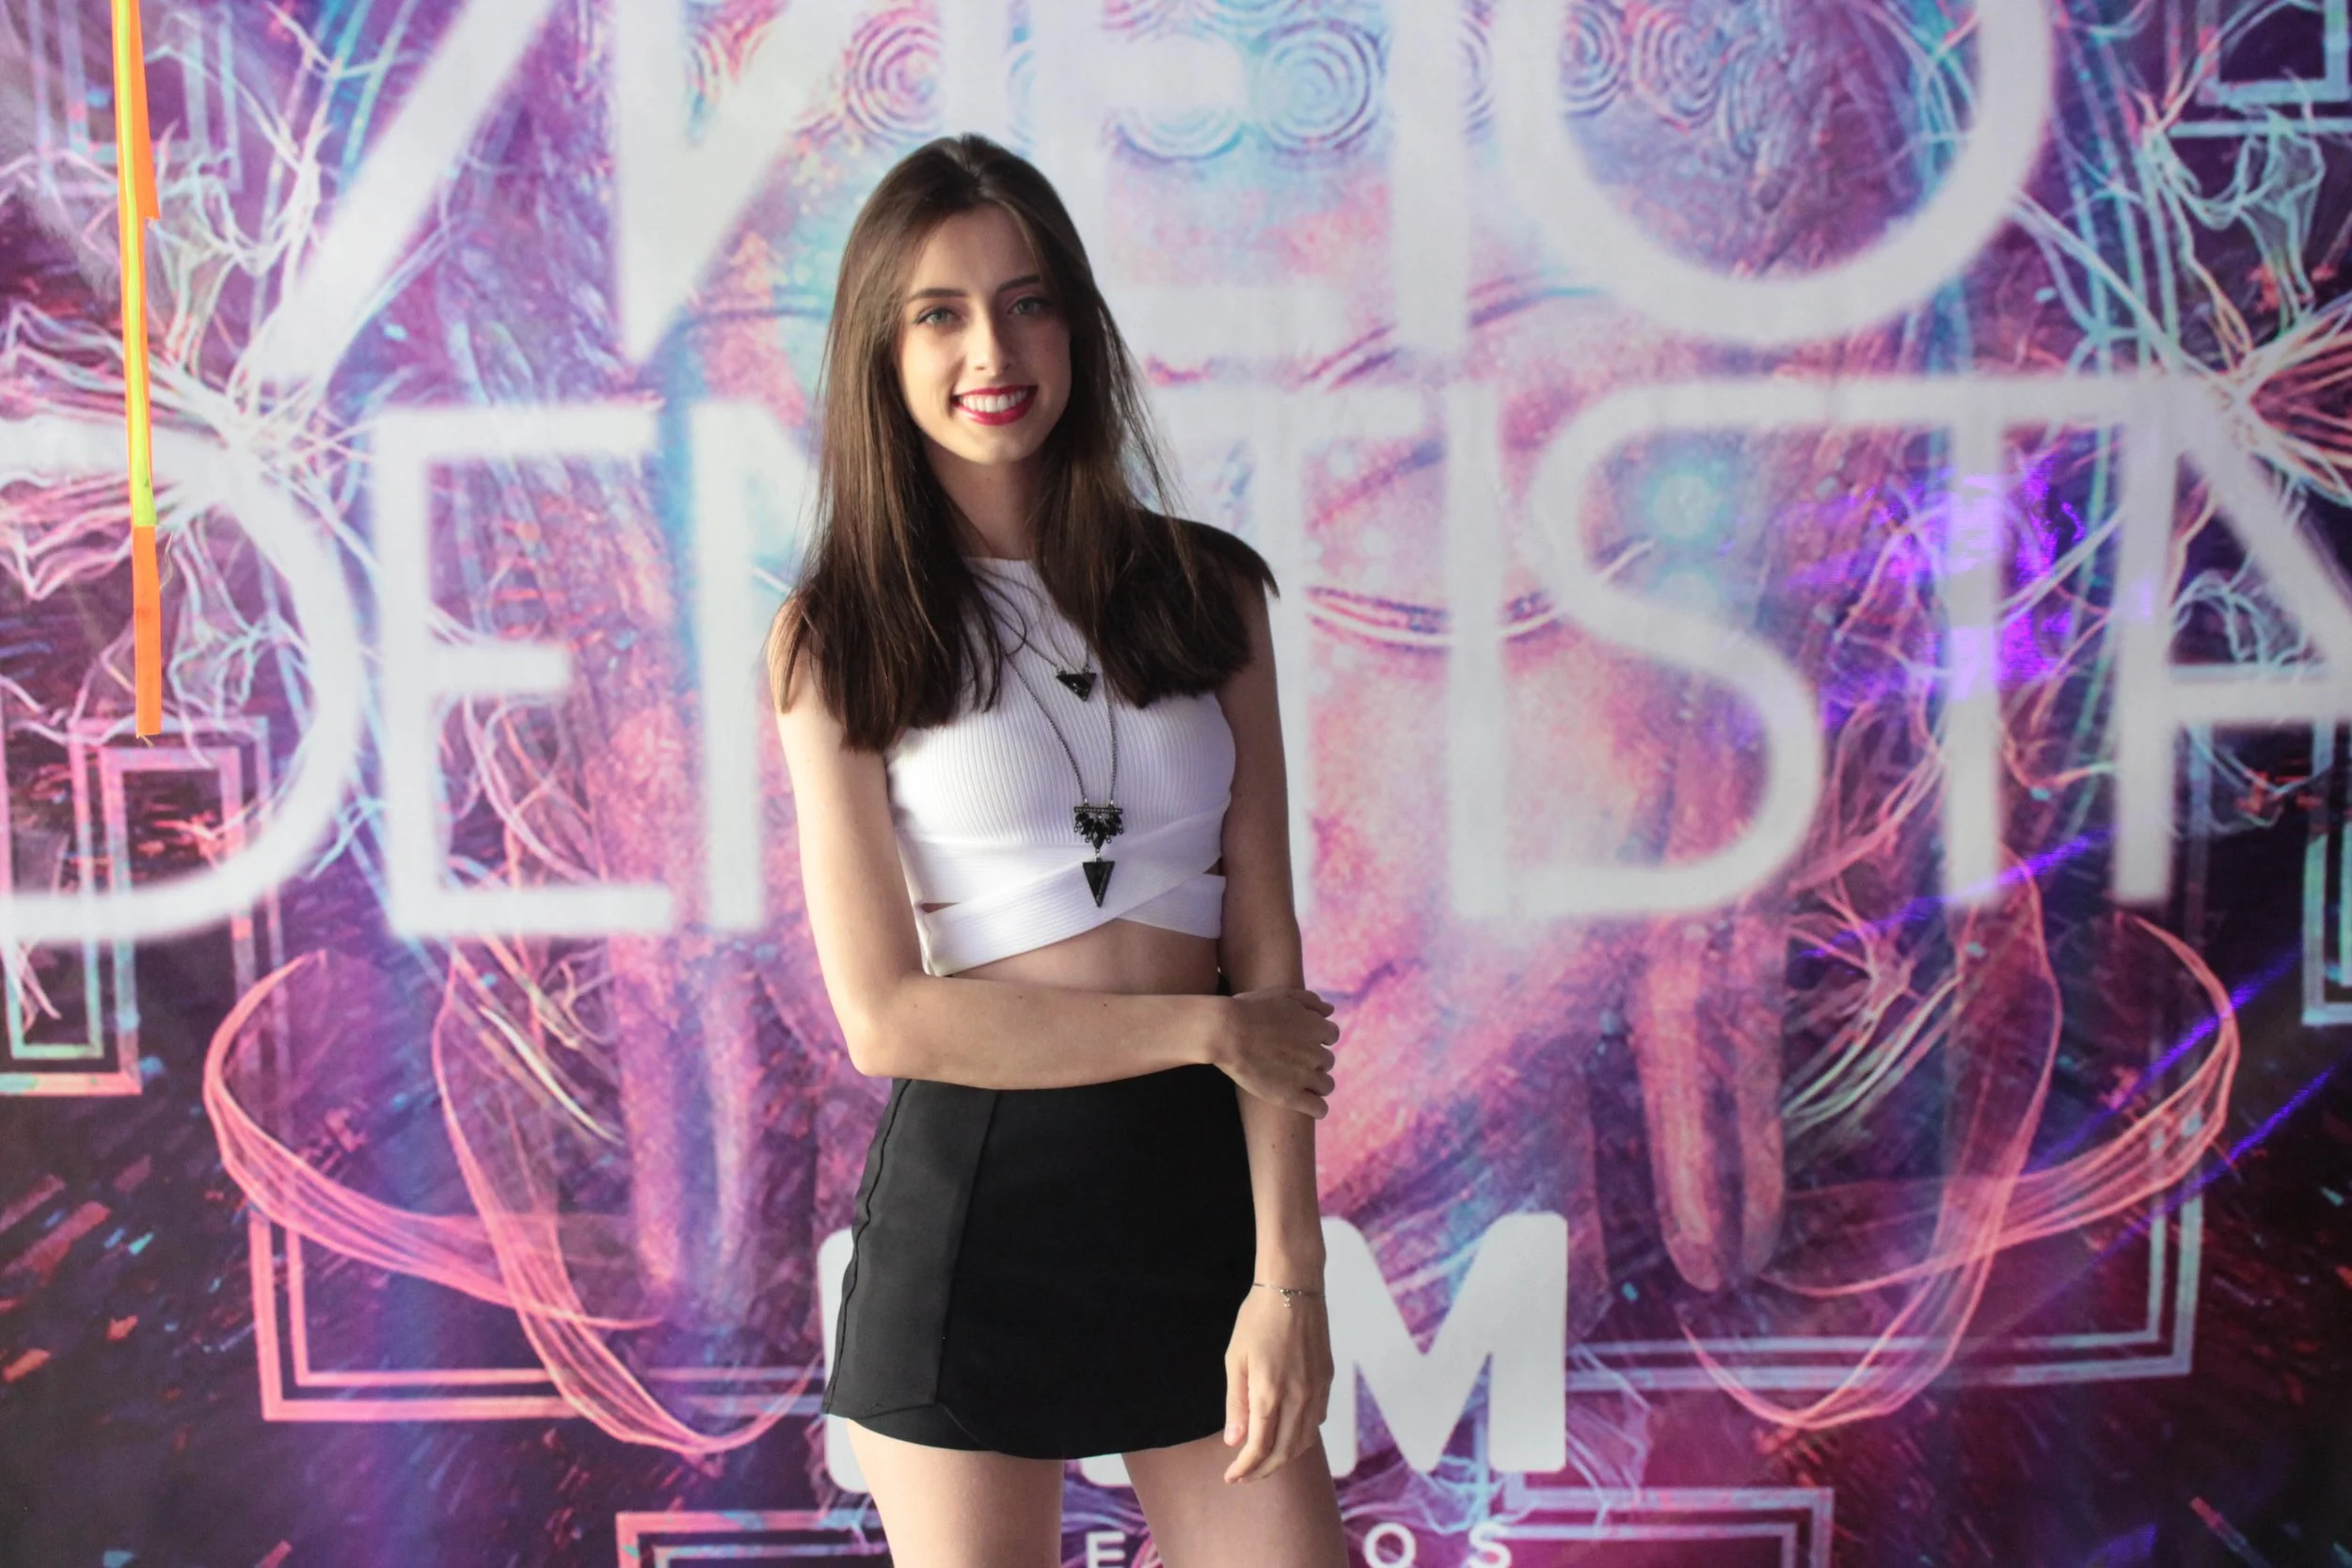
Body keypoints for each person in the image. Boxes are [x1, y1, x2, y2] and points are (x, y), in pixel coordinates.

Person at [768, 134, 1350, 1567]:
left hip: (1201, 1206)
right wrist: (1208, 1031)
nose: (994, 350)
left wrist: (1290, 1271)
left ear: (1077, 325)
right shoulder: (838, 636)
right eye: (942, 314)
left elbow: (1267, 943)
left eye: (1028, 303)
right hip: (975, 1217)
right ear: (884, 353)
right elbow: (884, 1018)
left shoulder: (1210, 591)